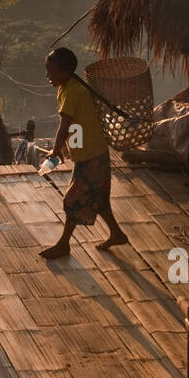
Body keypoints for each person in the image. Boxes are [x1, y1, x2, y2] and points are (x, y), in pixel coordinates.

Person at [39, 47, 128, 259]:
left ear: (64, 71)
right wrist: (64, 148)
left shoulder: (73, 92)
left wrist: (54, 150)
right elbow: (76, 125)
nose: (48, 76)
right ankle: (117, 233)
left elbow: (65, 126)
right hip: (92, 153)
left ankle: (63, 245)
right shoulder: (68, 88)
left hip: (91, 157)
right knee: (99, 198)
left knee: (73, 199)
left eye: (51, 71)